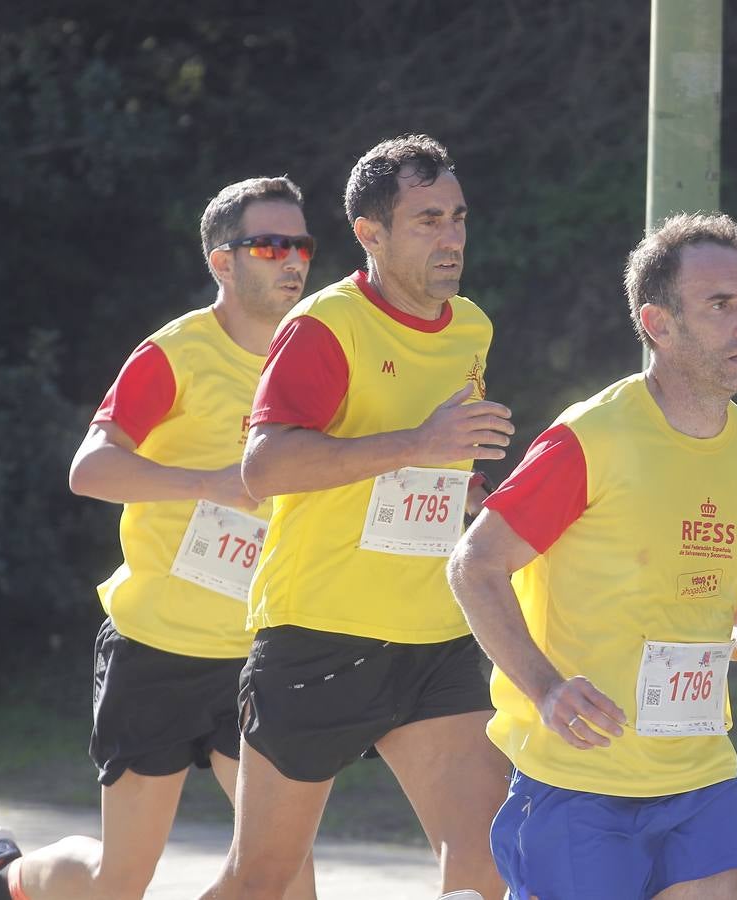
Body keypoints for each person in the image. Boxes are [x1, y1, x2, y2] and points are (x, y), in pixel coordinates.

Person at [0, 177, 319, 900]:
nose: (292, 261)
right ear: (222, 262)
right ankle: (5, 878)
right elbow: (89, 469)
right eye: (270, 245)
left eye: (302, 245)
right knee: (118, 880)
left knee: (282, 880)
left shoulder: (316, 355)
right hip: (158, 647)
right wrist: (211, 483)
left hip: (259, 654)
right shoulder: (175, 355)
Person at [446, 212, 737, 900]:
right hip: (581, 781)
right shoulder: (591, 439)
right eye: (720, 305)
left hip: (700, 775)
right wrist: (546, 688)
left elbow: (727, 602)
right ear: (658, 323)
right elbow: (475, 566)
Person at [195, 135, 512, 900]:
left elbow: (421, 465)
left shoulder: (471, 327)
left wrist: (461, 488)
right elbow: (265, 466)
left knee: (491, 865)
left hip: (434, 637)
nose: (452, 237)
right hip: (320, 635)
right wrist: (419, 444)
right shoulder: (324, 326)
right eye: (428, 220)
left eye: (459, 217)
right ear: (371, 233)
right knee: (262, 880)